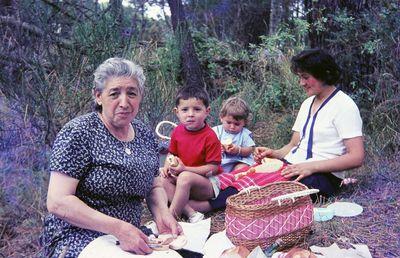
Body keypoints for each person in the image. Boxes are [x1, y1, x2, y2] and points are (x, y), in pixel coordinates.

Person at [41, 58, 181, 258]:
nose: (124, 103)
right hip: (77, 236)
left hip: (128, 235)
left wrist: (162, 215)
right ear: (98, 96)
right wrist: (118, 228)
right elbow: (58, 201)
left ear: (140, 96)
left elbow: (154, 186)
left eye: (132, 93)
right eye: (114, 93)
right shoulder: (79, 132)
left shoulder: (143, 133)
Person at [254, 49, 365, 200]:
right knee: (250, 178)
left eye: (306, 77)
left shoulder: (344, 106)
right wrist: (274, 153)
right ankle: (212, 198)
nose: (301, 83)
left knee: (266, 194)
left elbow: (356, 157)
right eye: (300, 78)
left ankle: (213, 203)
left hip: (322, 176)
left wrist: (310, 167)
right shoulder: (307, 103)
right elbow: (293, 145)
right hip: (294, 166)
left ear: (324, 74)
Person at [160, 86, 222, 223]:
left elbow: (213, 168)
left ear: (207, 111)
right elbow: (171, 153)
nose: (190, 114)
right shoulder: (177, 132)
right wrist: (166, 167)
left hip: (207, 185)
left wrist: (185, 170)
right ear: (177, 112)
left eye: (197, 109)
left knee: (184, 177)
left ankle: (170, 218)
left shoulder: (210, 136)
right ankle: (191, 212)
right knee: (160, 178)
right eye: (185, 110)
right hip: (183, 179)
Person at [213, 96, 256, 172]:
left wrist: (238, 150)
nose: (232, 127)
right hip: (220, 162)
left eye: (237, 124)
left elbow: (250, 150)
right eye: (228, 122)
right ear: (221, 118)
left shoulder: (244, 134)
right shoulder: (216, 131)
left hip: (238, 161)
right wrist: (216, 149)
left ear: (244, 122)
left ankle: (236, 179)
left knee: (242, 168)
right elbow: (207, 146)